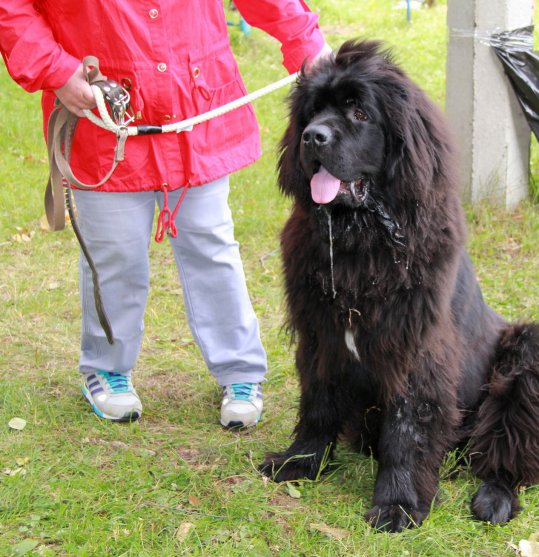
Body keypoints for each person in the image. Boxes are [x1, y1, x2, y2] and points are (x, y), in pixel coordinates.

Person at [0, 1, 331, 428]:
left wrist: (305, 41)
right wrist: (57, 71)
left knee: (210, 243)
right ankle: (107, 366)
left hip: (193, 104)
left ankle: (240, 371)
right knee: (114, 253)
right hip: (102, 113)